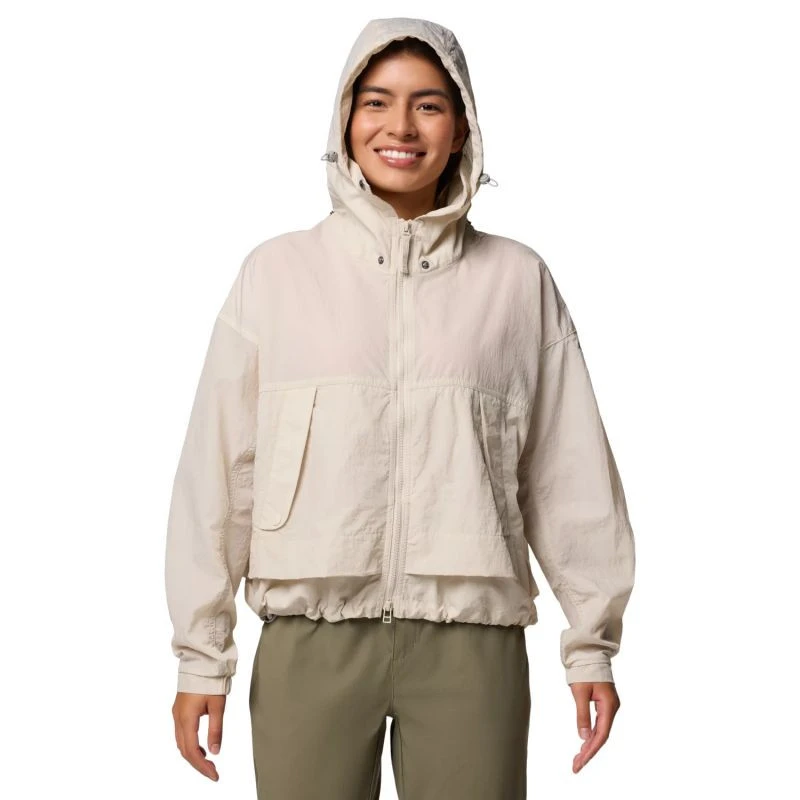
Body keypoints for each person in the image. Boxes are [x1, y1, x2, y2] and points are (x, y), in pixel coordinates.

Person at [165, 16, 636, 799]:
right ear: (346, 119)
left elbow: (567, 469)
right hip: (310, 640)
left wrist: (592, 643)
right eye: (377, 101)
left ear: (462, 129)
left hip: (471, 644)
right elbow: (219, 472)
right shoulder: (275, 275)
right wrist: (200, 657)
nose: (401, 126)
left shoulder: (516, 281)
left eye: (429, 105)